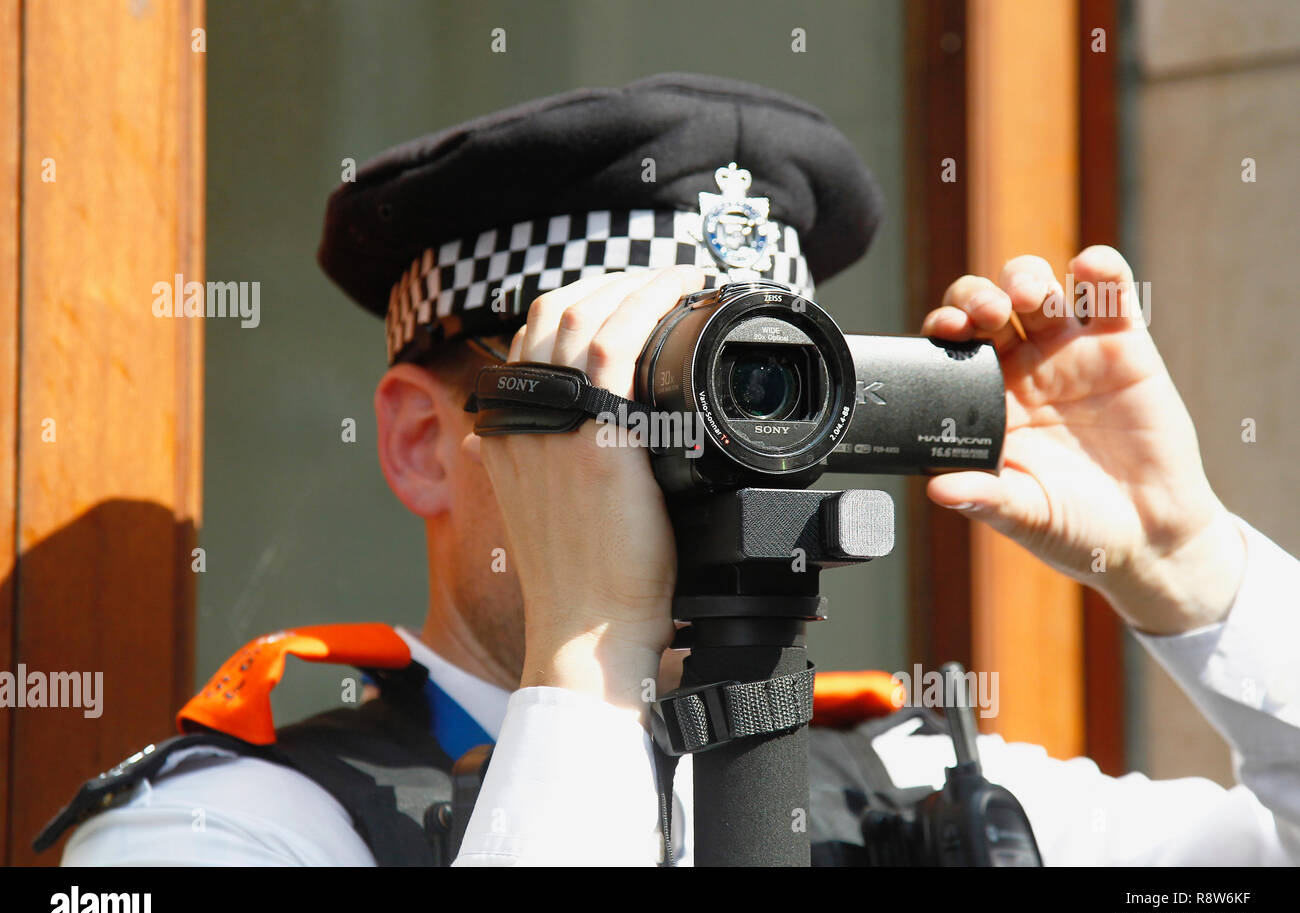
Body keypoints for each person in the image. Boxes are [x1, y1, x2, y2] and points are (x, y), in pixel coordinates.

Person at [53, 73, 1300, 866]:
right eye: (636, 385)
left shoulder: (916, 799)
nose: (699, 449)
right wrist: (588, 659)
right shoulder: (231, 832)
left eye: (758, 387)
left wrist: (1193, 571)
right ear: (426, 441)